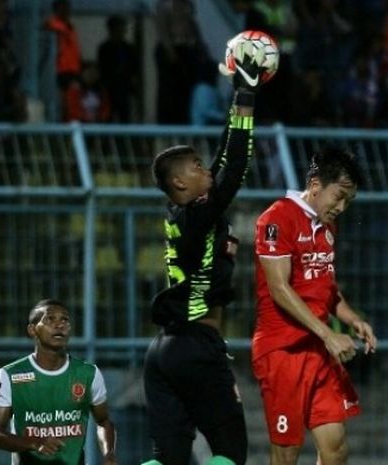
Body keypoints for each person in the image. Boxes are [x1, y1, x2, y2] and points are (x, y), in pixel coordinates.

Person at [142, 38, 265, 465]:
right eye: (195, 167)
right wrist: (247, 94)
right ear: (179, 184)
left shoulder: (188, 212)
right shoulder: (197, 215)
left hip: (162, 353)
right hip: (197, 344)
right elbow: (234, 168)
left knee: (166, 457)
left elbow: (223, 161)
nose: (204, 168)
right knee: (230, 451)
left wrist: (236, 97)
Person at [252, 147, 378, 465]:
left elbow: (326, 287)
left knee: (335, 447)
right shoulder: (276, 218)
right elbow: (279, 288)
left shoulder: (326, 228)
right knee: (286, 453)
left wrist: (352, 319)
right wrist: (328, 334)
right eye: (339, 196)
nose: (341, 207)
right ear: (317, 184)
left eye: (349, 201)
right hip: (282, 351)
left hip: (317, 350)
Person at [0, 299, 118, 465]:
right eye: (50, 319)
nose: (59, 325)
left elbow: (103, 422)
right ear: (32, 330)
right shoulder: (10, 375)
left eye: (65, 320)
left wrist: (109, 455)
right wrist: (35, 443)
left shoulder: (88, 373)